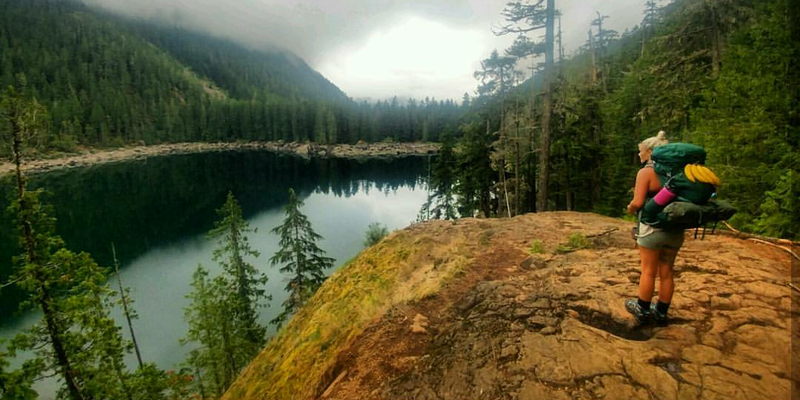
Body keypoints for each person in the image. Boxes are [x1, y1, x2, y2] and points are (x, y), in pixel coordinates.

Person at [625, 131, 684, 325]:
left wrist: (631, 208)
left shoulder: (646, 172)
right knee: (667, 271)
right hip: (675, 229)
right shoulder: (679, 171)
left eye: (641, 151)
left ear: (650, 151)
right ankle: (661, 312)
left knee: (648, 270)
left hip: (652, 228)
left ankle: (642, 308)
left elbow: (638, 201)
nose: (639, 155)